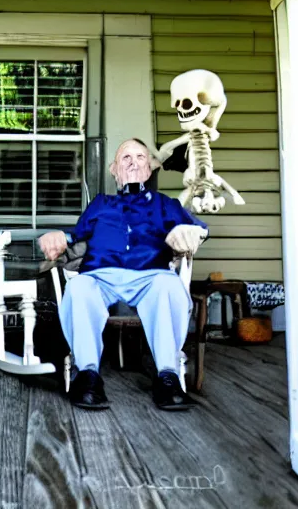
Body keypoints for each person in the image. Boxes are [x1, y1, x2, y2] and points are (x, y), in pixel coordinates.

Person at [38, 138, 208, 411]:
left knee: (169, 286)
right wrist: (55, 236)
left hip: (151, 275)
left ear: (149, 169)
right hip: (100, 275)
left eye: (140, 157)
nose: (132, 162)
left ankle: (167, 376)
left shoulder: (166, 204)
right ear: (114, 169)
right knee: (79, 287)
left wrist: (191, 234)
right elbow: (73, 236)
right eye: (125, 158)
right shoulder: (100, 204)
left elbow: (198, 229)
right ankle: (88, 375)